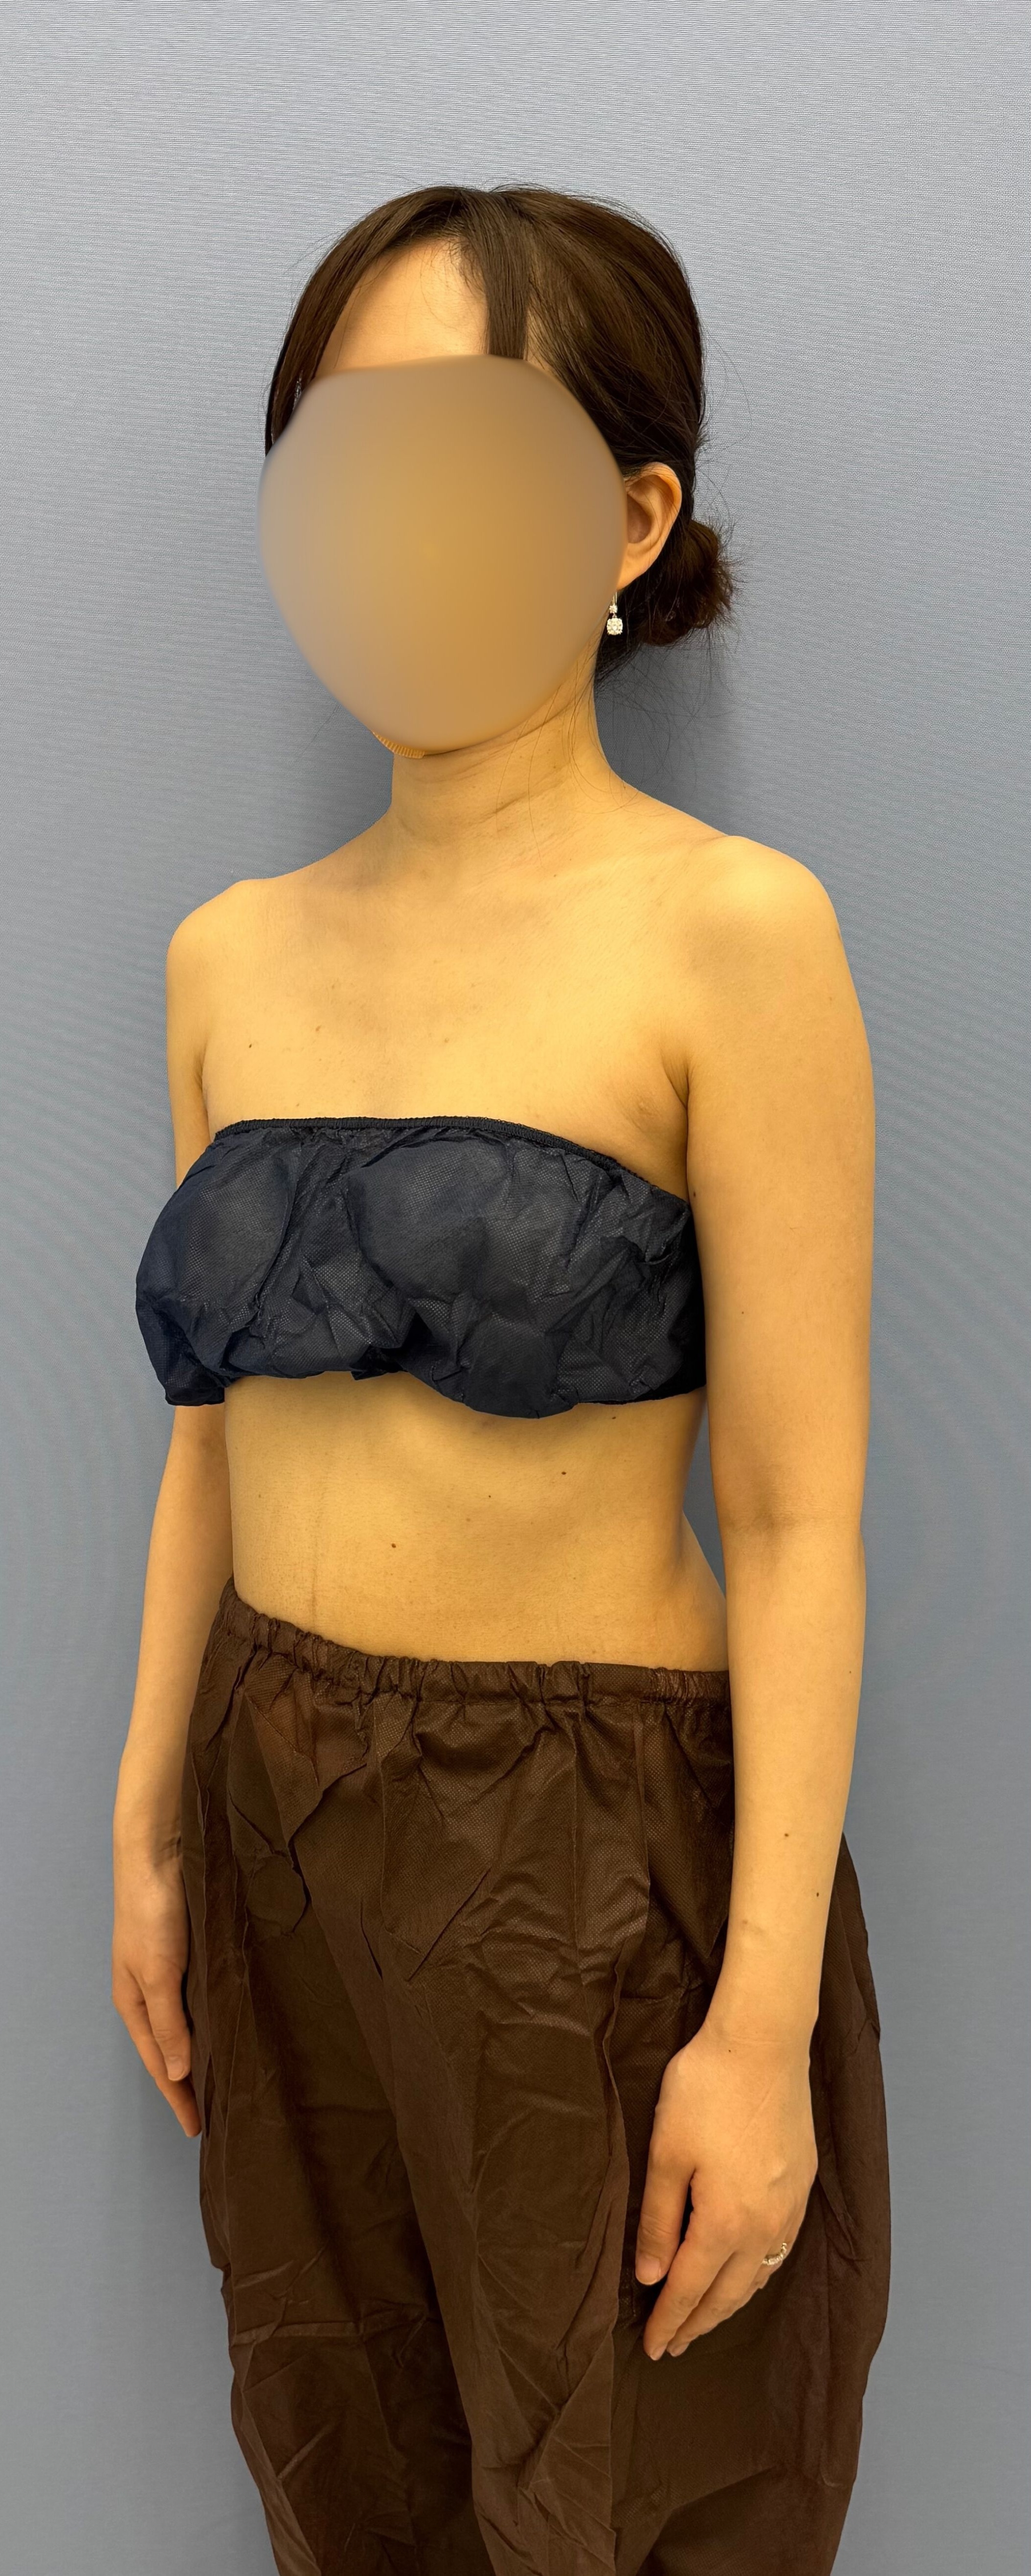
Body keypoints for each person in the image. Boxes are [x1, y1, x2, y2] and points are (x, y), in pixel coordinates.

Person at [112, 184, 890, 2576]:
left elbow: (796, 1517)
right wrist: (146, 1824)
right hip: (274, 1801)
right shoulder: (225, 959)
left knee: (623, 2506)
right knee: (342, 2481)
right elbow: (210, 1440)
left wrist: (754, 2030)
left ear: (624, 520)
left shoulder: (728, 935)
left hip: (587, 1858)